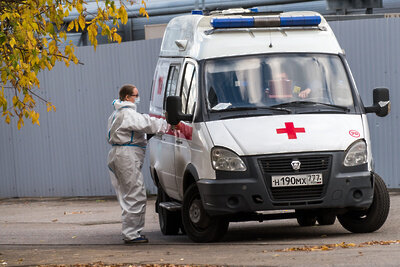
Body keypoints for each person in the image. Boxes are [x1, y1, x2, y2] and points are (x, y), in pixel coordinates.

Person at [107, 84, 168, 244]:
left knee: (127, 195)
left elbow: (135, 131)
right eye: (135, 95)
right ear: (127, 97)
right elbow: (147, 123)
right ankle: (132, 234)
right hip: (126, 157)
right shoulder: (128, 113)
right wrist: (166, 124)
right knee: (135, 194)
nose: (137, 98)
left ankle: (130, 231)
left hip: (118, 155)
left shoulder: (116, 114)